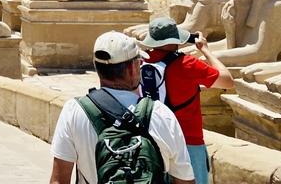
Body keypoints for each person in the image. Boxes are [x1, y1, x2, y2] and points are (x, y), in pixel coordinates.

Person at [49, 31, 195, 184]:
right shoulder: (161, 114)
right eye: (139, 61)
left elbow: (58, 181)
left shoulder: (74, 111)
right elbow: (184, 179)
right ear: (131, 69)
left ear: (97, 68)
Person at [139, 17, 234, 184]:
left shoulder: (140, 62)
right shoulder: (187, 64)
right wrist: (205, 50)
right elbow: (227, 81)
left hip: (152, 141)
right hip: (188, 142)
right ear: (177, 39)